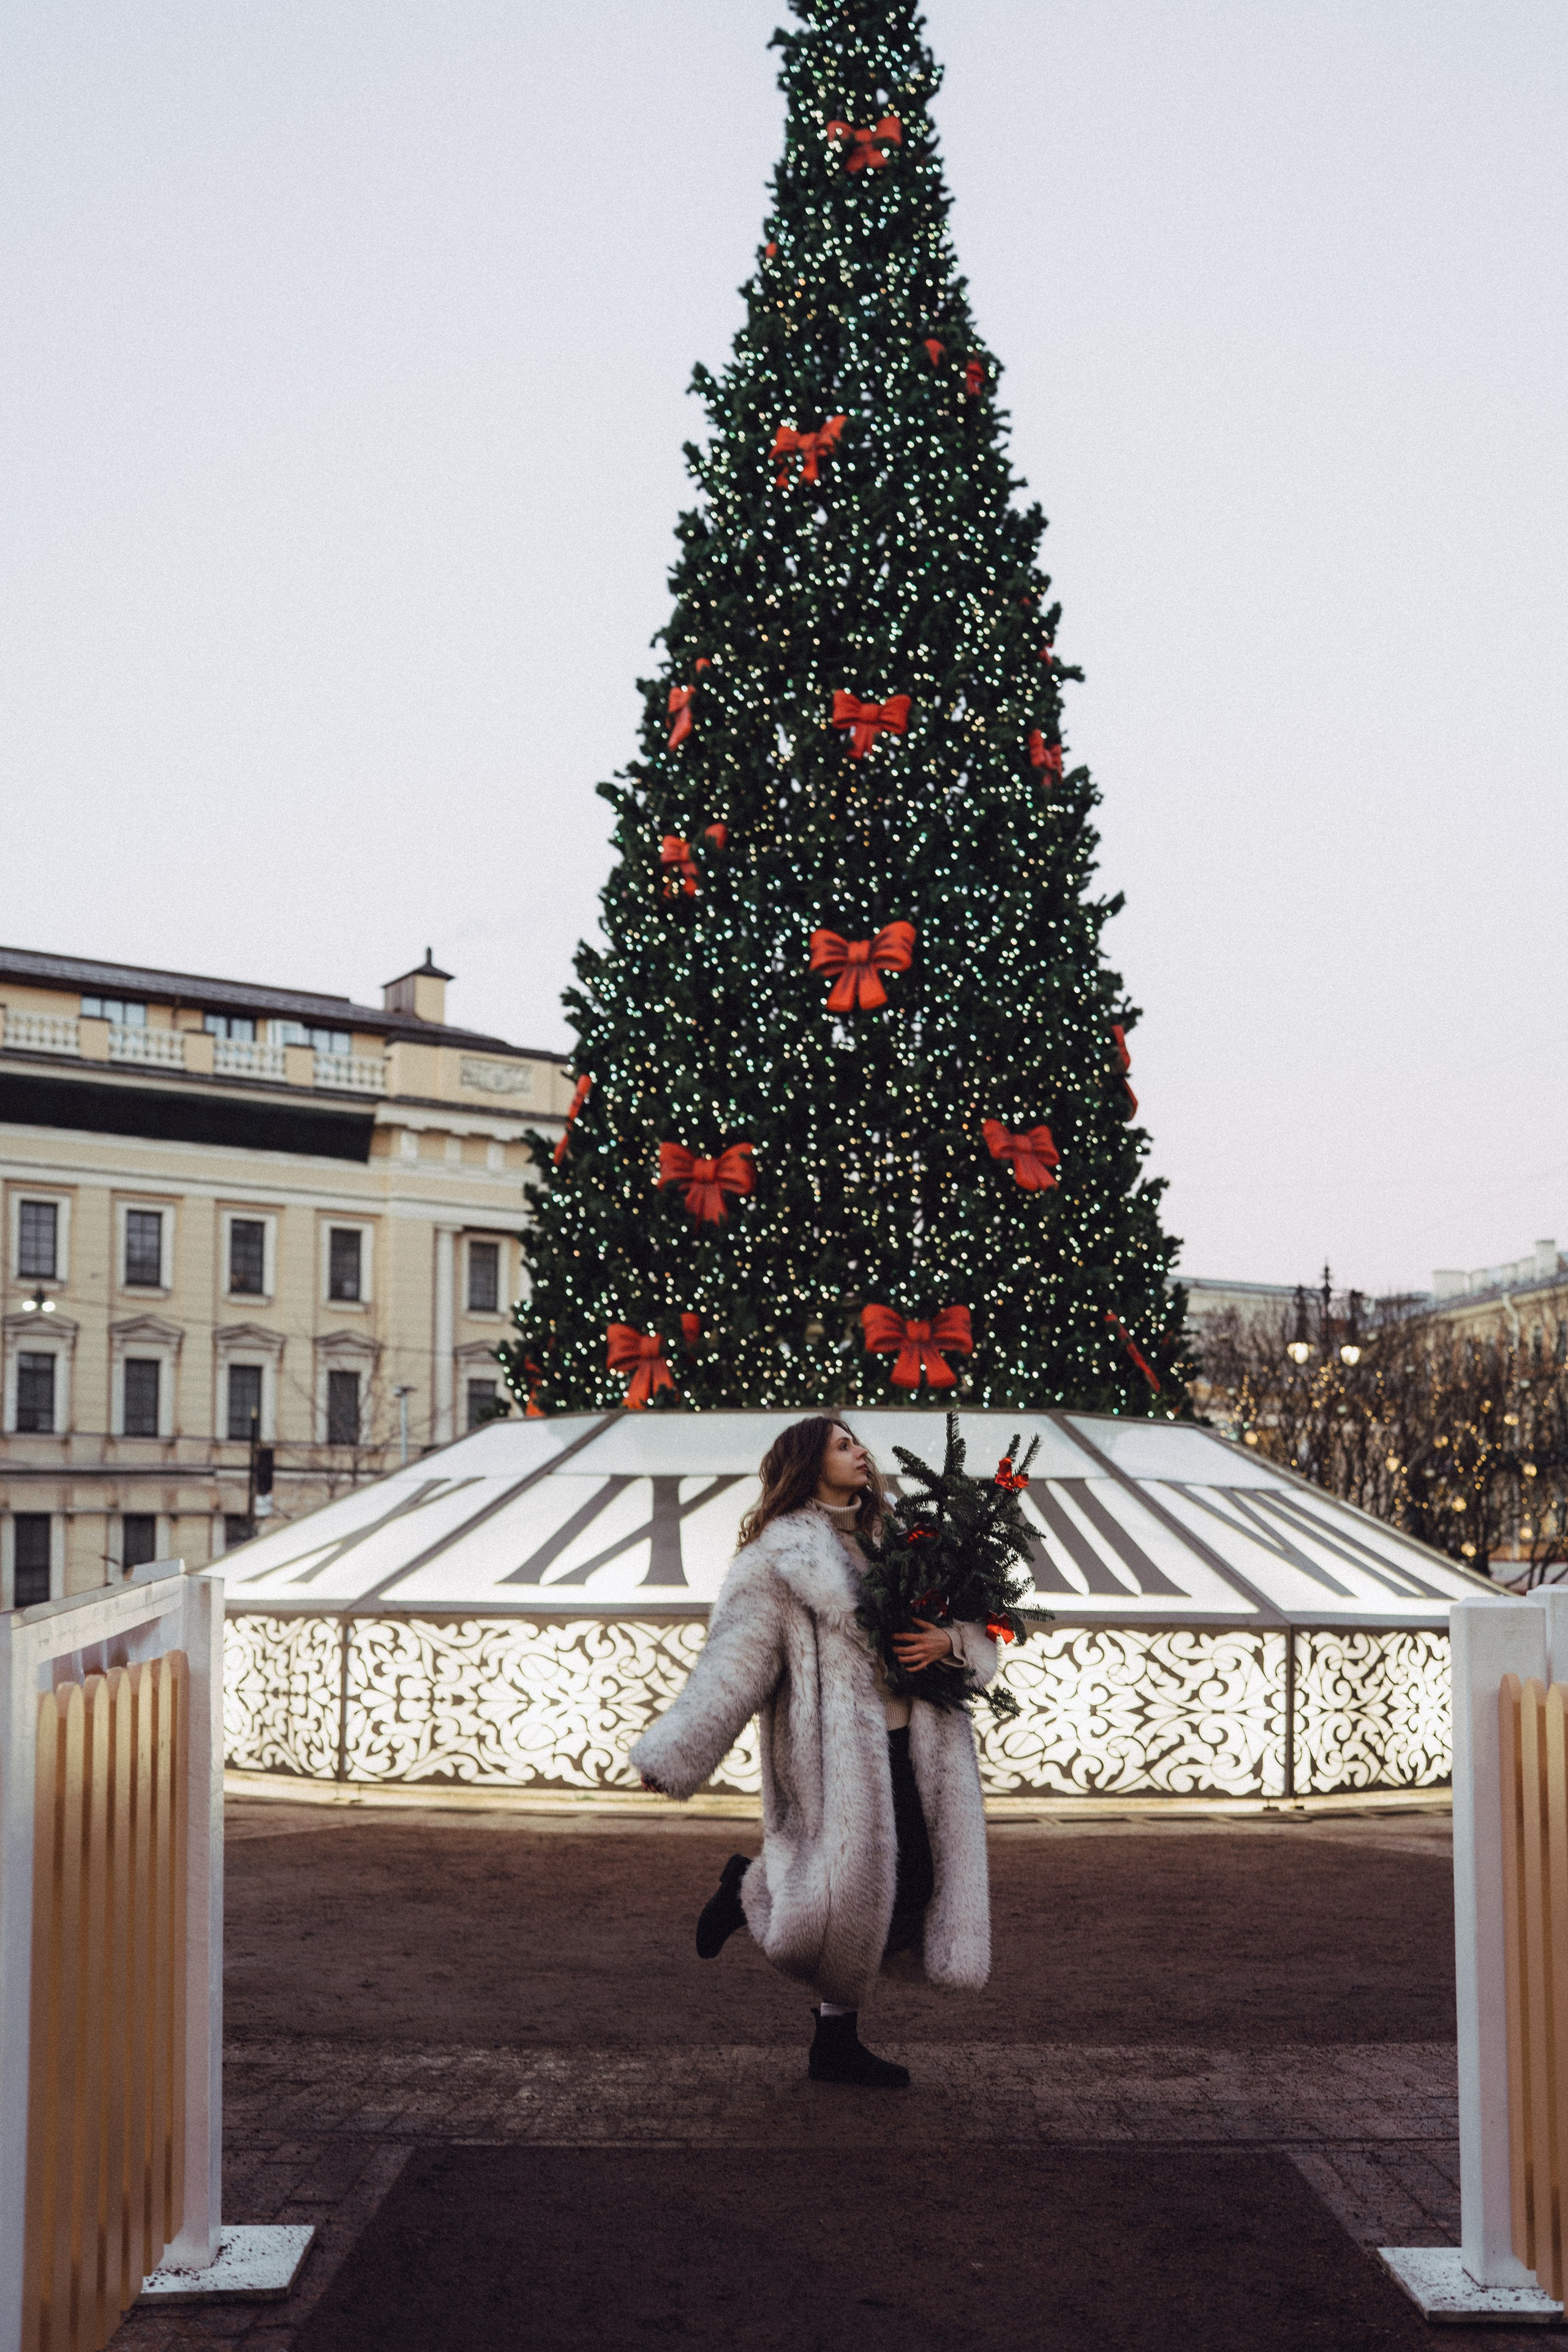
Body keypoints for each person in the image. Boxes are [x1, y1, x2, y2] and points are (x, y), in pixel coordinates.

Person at [630, 1414, 997, 2089]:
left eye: (857, 1442)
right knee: (864, 1892)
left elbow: (975, 1623)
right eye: (841, 1445)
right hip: (837, 1756)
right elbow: (732, 1663)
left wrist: (953, 1644)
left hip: (921, 1740)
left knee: (908, 1885)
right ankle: (751, 1893)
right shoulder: (777, 1560)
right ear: (808, 1463)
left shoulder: (902, 1538)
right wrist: (673, 1753)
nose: (859, 1452)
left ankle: (833, 2041)